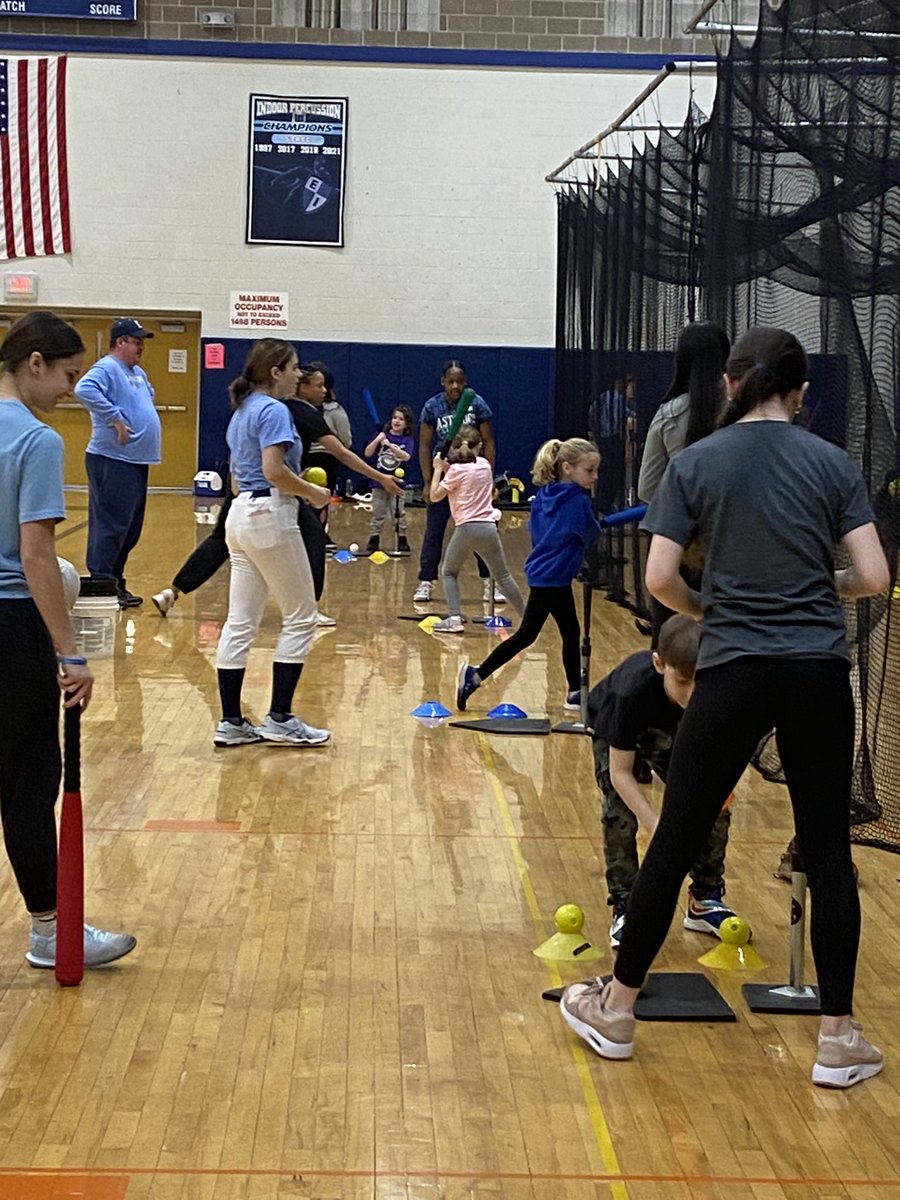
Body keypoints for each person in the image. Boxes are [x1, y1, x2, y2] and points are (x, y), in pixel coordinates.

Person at [560, 326, 890, 1089]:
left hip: (734, 667)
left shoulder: (698, 460)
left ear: (731, 384)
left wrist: (717, 609)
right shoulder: (833, 462)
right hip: (817, 673)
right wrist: (820, 591)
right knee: (828, 853)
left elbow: (662, 577)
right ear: (801, 391)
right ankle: (837, 1040)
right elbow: (872, 574)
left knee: (676, 838)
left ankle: (616, 1010)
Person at [0, 311, 136, 968]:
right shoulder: (37, 440)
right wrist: (69, 651)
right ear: (34, 363)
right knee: (28, 782)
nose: (71, 390)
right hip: (11, 628)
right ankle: (51, 931)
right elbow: (34, 556)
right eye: (67, 375)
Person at [151, 364, 401, 620]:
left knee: (220, 540)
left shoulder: (250, 405)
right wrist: (381, 476)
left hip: (244, 487)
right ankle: (308, 610)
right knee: (314, 537)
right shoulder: (296, 411)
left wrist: (236, 479)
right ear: (299, 385)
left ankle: (173, 590)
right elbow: (340, 452)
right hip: (272, 493)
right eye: (318, 385)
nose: (324, 391)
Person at [588, 614, 737, 949]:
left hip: (674, 731)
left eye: (700, 681)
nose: (693, 692)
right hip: (618, 733)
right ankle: (626, 902)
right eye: (683, 681)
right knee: (619, 813)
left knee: (715, 804)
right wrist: (654, 821)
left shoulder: (714, 692)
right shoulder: (629, 695)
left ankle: (704, 898)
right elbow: (621, 772)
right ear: (659, 663)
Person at [213, 338, 332, 749]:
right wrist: (312, 494)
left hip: (239, 514)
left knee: (240, 621)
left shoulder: (242, 410)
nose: (299, 374)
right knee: (302, 616)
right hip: (271, 513)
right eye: (294, 367)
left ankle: (231, 721)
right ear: (276, 371)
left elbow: (236, 477)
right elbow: (274, 470)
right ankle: (280, 717)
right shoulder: (273, 410)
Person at [457, 437, 601, 712]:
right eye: (589, 470)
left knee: (568, 632)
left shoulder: (545, 496)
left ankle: (573, 693)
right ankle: (474, 676)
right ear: (568, 468)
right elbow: (590, 534)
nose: (594, 477)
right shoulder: (577, 501)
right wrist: (596, 527)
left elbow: (541, 533)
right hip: (552, 578)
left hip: (546, 573)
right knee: (529, 635)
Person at [637, 322, 730, 644]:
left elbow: (647, 488)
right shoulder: (744, 412)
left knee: (668, 641)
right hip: (734, 537)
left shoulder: (668, 414)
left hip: (675, 540)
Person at [74, 317, 161, 609]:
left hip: (135, 459)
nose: (141, 348)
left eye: (142, 343)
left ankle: (115, 581)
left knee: (129, 528)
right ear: (120, 342)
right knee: (110, 526)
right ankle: (102, 583)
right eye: (136, 342)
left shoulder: (135, 372)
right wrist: (115, 418)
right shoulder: (107, 367)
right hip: (112, 459)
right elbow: (84, 390)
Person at [414, 360, 504, 606]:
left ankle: (489, 583)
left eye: (460, 381)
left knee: (478, 530)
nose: (455, 386)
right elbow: (423, 444)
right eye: (450, 381)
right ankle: (426, 581)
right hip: (445, 472)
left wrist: (489, 478)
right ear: (443, 381)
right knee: (434, 530)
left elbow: (488, 441)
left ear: (465, 382)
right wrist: (427, 480)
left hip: (473, 476)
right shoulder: (432, 406)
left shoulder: (476, 403)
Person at [430, 428, 525, 633]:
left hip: (466, 528)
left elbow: (434, 496)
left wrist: (438, 469)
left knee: (449, 572)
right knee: (503, 575)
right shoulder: (484, 465)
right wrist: (447, 467)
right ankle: (528, 618)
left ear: (455, 449)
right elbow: (469, 480)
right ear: (479, 446)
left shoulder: (455, 471)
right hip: (488, 527)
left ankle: (454, 618)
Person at [364, 405, 414, 554]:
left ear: (407, 423)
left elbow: (406, 456)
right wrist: (378, 440)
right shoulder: (381, 436)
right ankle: (374, 538)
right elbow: (367, 453)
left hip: (398, 483)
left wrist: (390, 446)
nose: (397, 421)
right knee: (378, 512)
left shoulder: (407, 439)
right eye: (395, 417)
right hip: (378, 482)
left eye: (401, 419)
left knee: (398, 512)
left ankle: (402, 539)